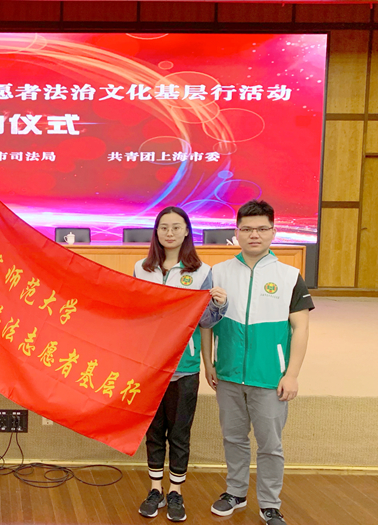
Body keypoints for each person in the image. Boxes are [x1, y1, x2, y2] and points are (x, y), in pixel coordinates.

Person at [204, 200, 313, 525]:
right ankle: (235, 493)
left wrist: (291, 374)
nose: (255, 235)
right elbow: (205, 322)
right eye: (247, 229)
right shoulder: (218, 273)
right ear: (236, 232)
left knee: (270, 445)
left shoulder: (289, 276)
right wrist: (209, 363)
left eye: (262, 228)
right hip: (228, 374)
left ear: (273, 232)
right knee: (233, 438)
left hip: (270, 377)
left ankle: (269, 504)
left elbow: (301, 328)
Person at [133, 207, 228, 522]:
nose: (170, 232)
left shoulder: (201, 271)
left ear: (187, 230)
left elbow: (206, 320)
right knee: (154, 430)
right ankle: (155, 489)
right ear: (156, 232)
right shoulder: (141, 268)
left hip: (184, 365)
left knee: (180, 432)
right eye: (164, 227)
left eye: (176, 227)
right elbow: (136, 314)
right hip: (150, 366)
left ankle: (175, 491)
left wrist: (220, 305)